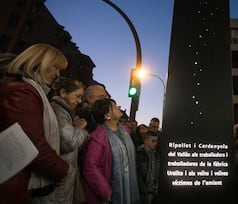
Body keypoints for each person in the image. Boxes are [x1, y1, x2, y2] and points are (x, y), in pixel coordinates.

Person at [0, 43, 70, 203]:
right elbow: (31, 145)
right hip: (10, 186)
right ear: (41, 62)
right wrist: (62, 170)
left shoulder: (27, 89)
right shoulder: (22, 91)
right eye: (56, 67)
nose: (58, 74)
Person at [82, 98, 140, 204]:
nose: (118, 108)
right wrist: (105, 191)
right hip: (110, 193)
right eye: (114, 106)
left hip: (128, 188)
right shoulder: (98, 136)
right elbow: (90, 167)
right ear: (107, 116)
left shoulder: (125, 132)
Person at [45, 78, 89, 204]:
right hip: (56, 183)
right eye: (77, 96)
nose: (80, 101)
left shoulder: (65, 112)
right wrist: (80, 129)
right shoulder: (58, 110)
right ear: (63, 93)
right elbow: (68, 142)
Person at [136, 130, 160, 204]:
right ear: (145, 141)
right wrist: (144, 188)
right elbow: (137, 173)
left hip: (153, 189)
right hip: (142, 190)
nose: (155, 143)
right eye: (153, 141)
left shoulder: (157, 154)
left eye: (156, 141)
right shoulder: (139, 154)